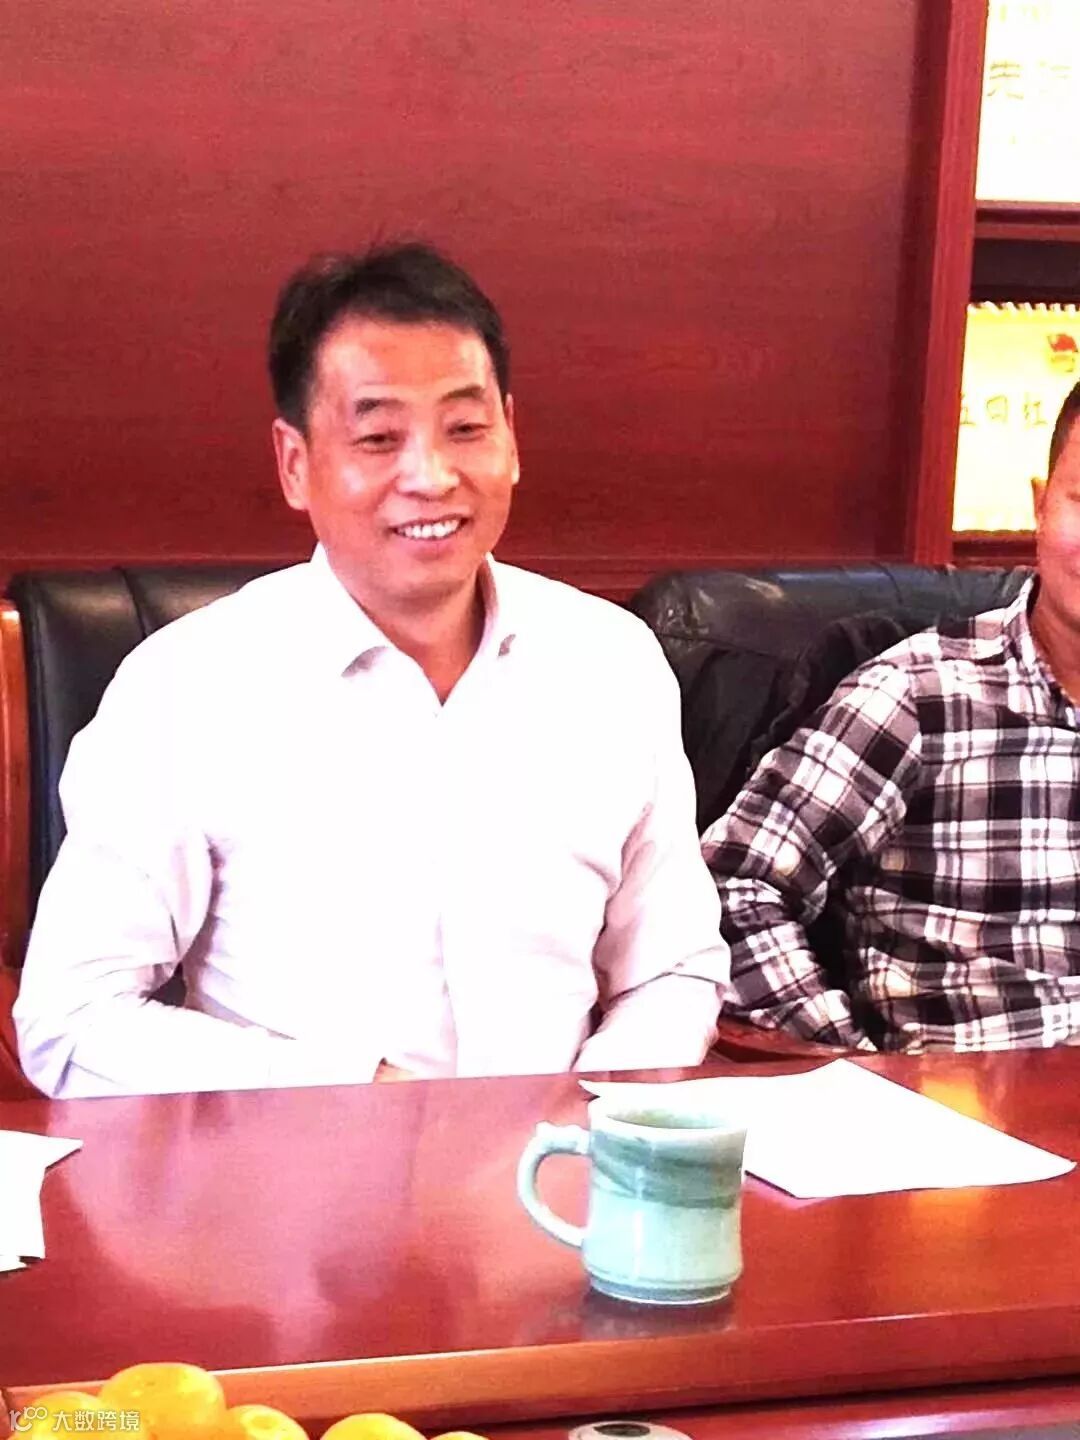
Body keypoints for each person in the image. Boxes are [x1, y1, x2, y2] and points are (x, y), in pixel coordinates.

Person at [15, 242, 728, 1097]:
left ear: (511, 438)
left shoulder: (610, 663)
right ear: (295, 463)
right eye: (379, 438)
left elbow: (671, 969)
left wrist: (592, 1125)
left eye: (466, 429)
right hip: (292, 1170)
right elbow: (71, 1021)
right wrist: (356, 1095)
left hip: (568, 1170)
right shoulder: (187, 689)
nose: (430, 476)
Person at [703, 382, 1080, 1052]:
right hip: (974, 1094)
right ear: (1039, 505)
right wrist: (849, 1061)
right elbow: (730, 885)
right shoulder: (920, 694)